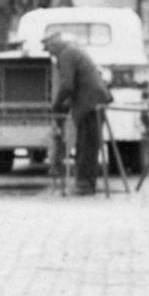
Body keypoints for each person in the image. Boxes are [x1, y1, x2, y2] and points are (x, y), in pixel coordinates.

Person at [43, 29, 112, 195]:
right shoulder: (71, 52)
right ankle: (84, 183)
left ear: (54, 45)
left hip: (90, 103)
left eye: (49, 49)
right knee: (85, 144)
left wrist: (57, 105)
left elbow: (68, 85)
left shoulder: (66, 54)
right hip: (90, 101)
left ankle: (85, 185)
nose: (50, 54)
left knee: (87, 144)